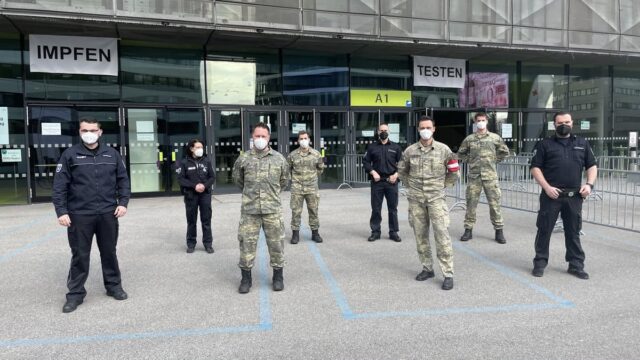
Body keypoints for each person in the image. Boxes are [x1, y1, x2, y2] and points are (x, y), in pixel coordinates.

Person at [52, 117, 131, 313]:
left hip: (107, 212)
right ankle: (75, 294)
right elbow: (59, 186)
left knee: (109, 252)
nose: (89, 133)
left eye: (93, 130)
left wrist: (123, 203)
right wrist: (61, 211)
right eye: (85, 130)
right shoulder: (70, 155)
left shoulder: (111, 154)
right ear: (79, 132)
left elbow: (123, 180)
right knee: (80, 254)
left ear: (100, 132)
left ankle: (114, 286)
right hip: (80, 214)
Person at [530, 111, 597, 279]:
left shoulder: (582, 143)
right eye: (560, 123)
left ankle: (576, 265)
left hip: (574, 197)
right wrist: (546, 187)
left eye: (567, 122)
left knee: (573, 231)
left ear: (572, 123)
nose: (563, 125)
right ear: (554, 125)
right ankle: (540, 263)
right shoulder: (544, 144)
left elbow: (592, 165)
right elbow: (535, 168)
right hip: (551, 195)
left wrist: (589, 185)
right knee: (544, 230)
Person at [397, 116, 459, 290]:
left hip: (436, 199)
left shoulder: (444, 149)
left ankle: (448, 273)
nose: (425, 130)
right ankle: (427, 268)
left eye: (428, 127)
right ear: (418, 129)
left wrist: (442, 186)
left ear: (434, 129)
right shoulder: (410, 151)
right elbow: (402, 171)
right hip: (416, 200)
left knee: (442, 235)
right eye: (422, 127)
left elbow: (454, 171)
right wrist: (412, 188)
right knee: (420, 235)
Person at [232, 123, 290, 293]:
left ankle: (278, 277)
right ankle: (246, 279)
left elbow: (284, 181)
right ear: (252, 137)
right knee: (246, 246)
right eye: (257, 136)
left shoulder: (279, 159)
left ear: (269, 137)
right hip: (250, 211)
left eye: (263, 136)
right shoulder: (243, 159)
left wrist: (270, 195)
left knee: (277, 245)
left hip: (272, 210)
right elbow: (238, 180)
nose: (260, 139)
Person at [457, 113, 510, 243]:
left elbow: (505, 152)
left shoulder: (494, 138)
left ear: (487, 121)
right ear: (475, 123)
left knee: (494, 205)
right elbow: (461, 154)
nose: (481, 122)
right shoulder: (470, 139)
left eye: (483, 120)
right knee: (471, 204)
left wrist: (494, 160)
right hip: (474, 177)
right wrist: (470, 160)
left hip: (490, 177)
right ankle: (468, 230)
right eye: (478, 120)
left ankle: (499, 231)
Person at [362, 123, 403, 242]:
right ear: (378, 132)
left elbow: (403, 164)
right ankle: (375, 232)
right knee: (376, 208)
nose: (383, 132)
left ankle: (393, 232)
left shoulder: (396, 147)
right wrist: (372, 172)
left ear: (388, 132)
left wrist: (396, 175)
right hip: (377, 182)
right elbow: (366, 162)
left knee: (393, 208)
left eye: (385, 130)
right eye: (381, 130)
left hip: (392, 182)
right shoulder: (372, 147)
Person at [176, 138, 216, 254]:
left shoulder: (206, 161)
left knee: (206, 220)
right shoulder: (184, 162)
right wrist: (194, 186)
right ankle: (191, 244)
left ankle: (208, 244)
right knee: (191, 221)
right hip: (191, 195)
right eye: (198, 147)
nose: (200, 149)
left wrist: (204, 186)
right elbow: (180, 179)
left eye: (201, 147)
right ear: (191, 149)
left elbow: (212, 177)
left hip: (205, 195)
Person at [287, 130, 325, 244]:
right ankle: (295, 234)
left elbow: (320, 168)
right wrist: (294, 180)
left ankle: (315, 233)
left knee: (313, 211)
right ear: (298, 140)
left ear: (309, 140)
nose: (303, 140)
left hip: (312, 188)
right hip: (297, 188)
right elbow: (287, 170)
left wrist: (311, 178)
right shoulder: (292, 155)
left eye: (305, 138)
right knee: (296, 211)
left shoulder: (316, 154)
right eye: (301, 139)